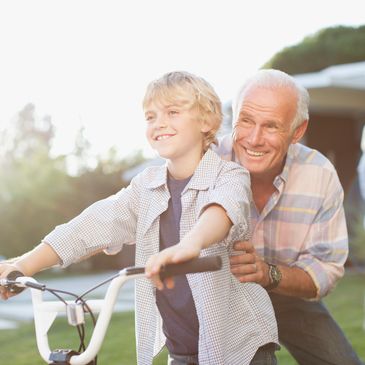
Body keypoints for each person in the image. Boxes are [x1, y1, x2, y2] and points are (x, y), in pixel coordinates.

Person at [0, 71, 279, 365]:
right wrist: (22, 265)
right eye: (150, 116)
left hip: (241, 349)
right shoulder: (145, 187)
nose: (158, 122)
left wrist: (190, 245)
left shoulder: (229, 175)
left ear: (208, 120)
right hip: (182, 352)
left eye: (172, 112)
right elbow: (91, 226)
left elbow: (223, 210)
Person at [215, 69, 363, 365]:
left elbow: (325, 269)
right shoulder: (207, 161)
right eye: (246, 120)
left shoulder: (319, 175)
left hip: (285, 291)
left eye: (271, 126)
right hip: (220, 302)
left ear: (297, 131)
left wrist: (267, 273)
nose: (254, 139)